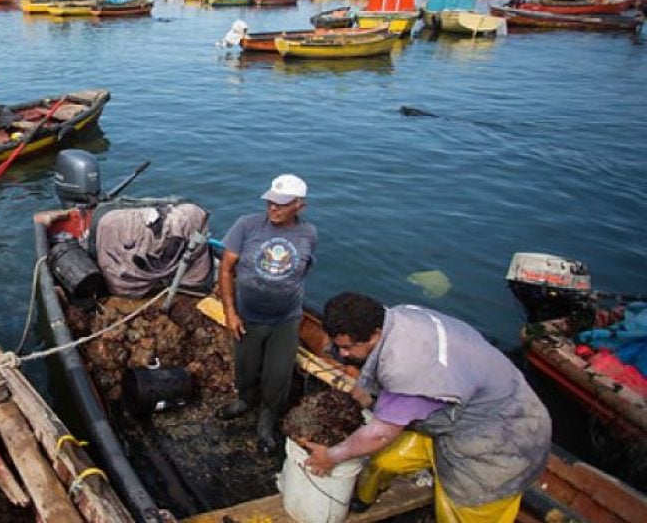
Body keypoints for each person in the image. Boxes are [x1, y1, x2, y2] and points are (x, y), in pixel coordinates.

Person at [305, 292, 551, 522]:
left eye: (347, 347)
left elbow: (380, 434)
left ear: (375, 334)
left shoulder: (406, 368)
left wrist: (330, 456)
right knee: (384, 461)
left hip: (502, 441)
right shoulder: (399, 315)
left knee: (458, 510)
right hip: (452, 415)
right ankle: (364, 500)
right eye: (339, 346)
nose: (342, 354)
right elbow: (371, 383)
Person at [215, 174, 317, 455]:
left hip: (286, 319)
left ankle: (266, 422)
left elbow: (303, 271)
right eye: (271, 202)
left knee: (278, 376)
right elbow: (225, 270)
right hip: (249, 315)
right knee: (246, 368)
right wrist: (231, 313)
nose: (274, 209)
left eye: (282, 205)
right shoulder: (246, 225)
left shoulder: (308, 234)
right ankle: (245, 400)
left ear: (300, 206)